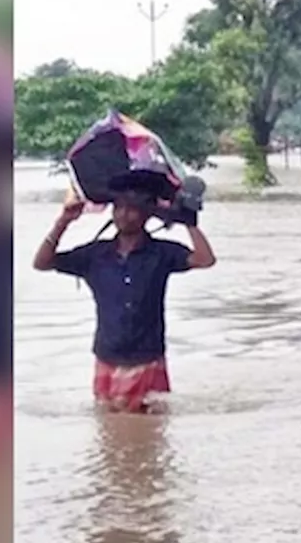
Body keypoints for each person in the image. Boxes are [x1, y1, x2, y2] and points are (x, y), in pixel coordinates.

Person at [32, 171, 217, 412]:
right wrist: (63, 221)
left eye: (131, 209)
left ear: (147, 215)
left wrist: (189, 222)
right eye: (118, 208)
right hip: (107, 356)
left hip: (148, 359)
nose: (123, 214)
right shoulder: (95, 255)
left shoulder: (162, 253)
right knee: (109, 434)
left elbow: (205, 259)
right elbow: (42, 263)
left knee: (150, 433)